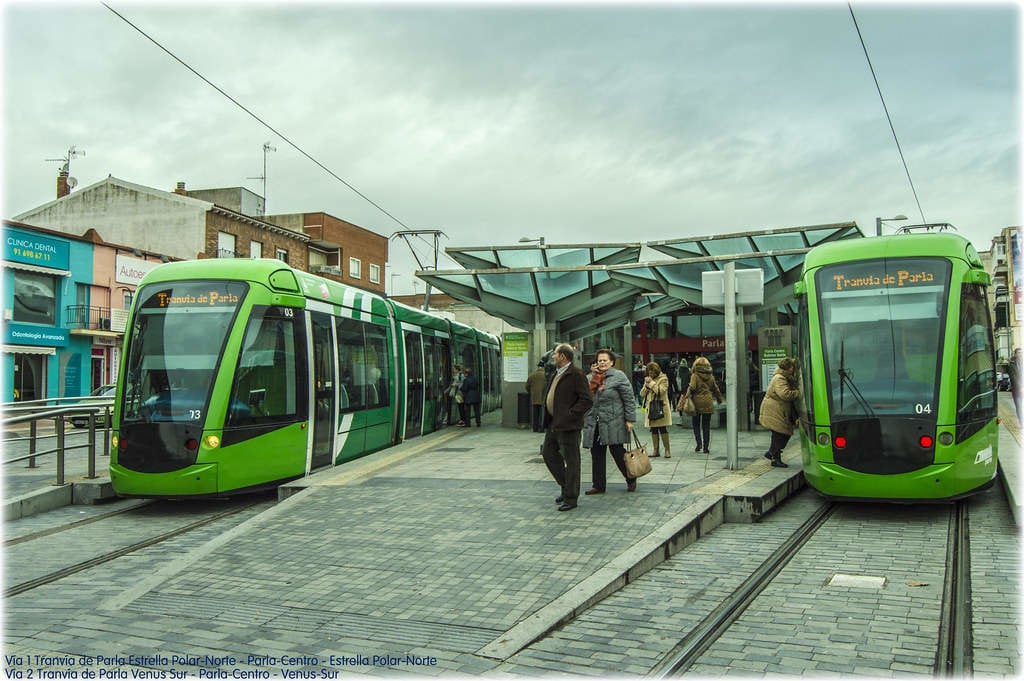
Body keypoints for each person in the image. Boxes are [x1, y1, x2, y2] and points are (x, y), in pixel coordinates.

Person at [541, 343, 594, 512]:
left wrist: (571, 414)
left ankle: (571, 498)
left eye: (555, 354)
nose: (553, 357)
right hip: (553, 423)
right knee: (548, 454)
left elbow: (587, 400)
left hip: (569, 425)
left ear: (563, 356)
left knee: (572, 461)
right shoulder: (555, 373)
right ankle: (565, 485)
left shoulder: (576, 374)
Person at [581, 349, 638, 494]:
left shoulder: (618, 376)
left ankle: (630, 478)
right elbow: (585, 398)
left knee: (618, 452)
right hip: (595, 422)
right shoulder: (590, 378)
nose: (602, 363)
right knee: (597, 454)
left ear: (611, 362)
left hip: (614, 421)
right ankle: (598, 485)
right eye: (599, 360)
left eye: (605, 360)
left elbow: (629, 399)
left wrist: (630, 419)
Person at [759, 356, 801, 468]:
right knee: (781, 434)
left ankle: (773, 455)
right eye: (792, 366)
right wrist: (798, 392)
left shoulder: (784, 377)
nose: (793, 368)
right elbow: (785, 394)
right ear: (788, 367)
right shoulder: (779, 378)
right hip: (775, 410)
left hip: (778, 409)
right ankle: (774, 456)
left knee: (779, 433)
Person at [684, 356, 723, 453]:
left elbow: (692, 387)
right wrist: (719, 399)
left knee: (696, 424)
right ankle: (706, 447)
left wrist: (686, 395)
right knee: (706, 425)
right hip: (708, 401)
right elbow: (716, 389)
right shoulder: (711, 376)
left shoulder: (695, 375)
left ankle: (699, 444)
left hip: (696, 402)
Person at [639, 361, 672, 459]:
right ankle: (655, 450)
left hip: (660, 407)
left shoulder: (663, 379)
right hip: (651, 407)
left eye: (652, 372)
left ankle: (667, 450)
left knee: (662, 428)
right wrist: (646, 385)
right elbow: (642, 394)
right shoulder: (648, 380)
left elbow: (660, 391)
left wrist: (651, 383)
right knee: (653, 429)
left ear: (656, 371)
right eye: (649, 372)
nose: (651, 374)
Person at [525, 361, 547, 433]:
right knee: (542, 414)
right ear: (543, 367)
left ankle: (535, 428)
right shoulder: (546, 376)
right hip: (543, 398)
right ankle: (541, 428)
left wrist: (531, 392)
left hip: (534, 397)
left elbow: (527, 386)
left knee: (535, 414)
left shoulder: (532, 376)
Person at [675, 358, 691, 426]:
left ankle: (682, 419)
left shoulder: (679, 371)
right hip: (687, 390)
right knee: (687, 404)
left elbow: (678, 381)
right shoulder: (689, 371)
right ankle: (687, 418)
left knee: (680, 405)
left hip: (682, 391)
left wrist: (678, 390)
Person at [1009, 348, 1023, 421]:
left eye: (1021, 353)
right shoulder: (1012, 364)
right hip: (1017, 390)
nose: (1020, 354)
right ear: (1015, 354)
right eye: (1019, 353)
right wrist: (1020, 387)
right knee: (1019, 407)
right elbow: (1013, 378)